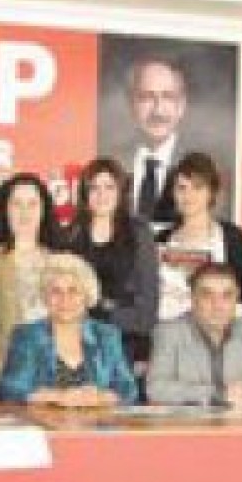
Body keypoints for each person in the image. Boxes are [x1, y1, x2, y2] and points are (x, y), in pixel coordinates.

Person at [147, 262, 242, 407]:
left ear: (236, 299)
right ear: (193, 299)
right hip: (190, 424)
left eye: (227, 296)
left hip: (240, 423)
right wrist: (219, 394)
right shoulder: (169, 332)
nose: (218, 305)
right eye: (207, 295)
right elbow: (156, 389)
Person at [0, 253, 138, 406]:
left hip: (97, 420)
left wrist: (99, 397)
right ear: (45, 297)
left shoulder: (106, 335)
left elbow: (128, 389)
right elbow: (11, 389)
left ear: (87, 296)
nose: (65, 299)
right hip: (43, 420)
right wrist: (57, 396)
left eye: (73, 291)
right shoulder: (27, 335)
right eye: (56, 291)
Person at [62, 157, 159, 376]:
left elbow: (148, 308)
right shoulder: (70, 235)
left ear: (121, 192)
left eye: (109, 187)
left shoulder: (139, 234)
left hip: (125, 344)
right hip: (75, 343)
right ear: (84, 194)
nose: (101, 195)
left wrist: (103, 314)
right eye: (94, 188)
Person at [0, 172, 61, 381]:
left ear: (44, 211)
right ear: (5, 210)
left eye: (32, 204)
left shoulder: (61, 262)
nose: (24, 212)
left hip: (53, 375)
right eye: (16, 204)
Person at [155, 152, 242, 320]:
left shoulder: (233, 238)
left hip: (221, 329)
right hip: (169, 330)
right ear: (172, 192)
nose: (188, 195)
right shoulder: (160, 239)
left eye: (197, 187)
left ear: (211, 192)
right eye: (181, 188)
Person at [118, 55, 193, 223]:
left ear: (181, 106)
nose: (158, 110)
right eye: (147, 97)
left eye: (168, 97)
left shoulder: (205, 165)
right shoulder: (114, 159)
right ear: (131, 104)